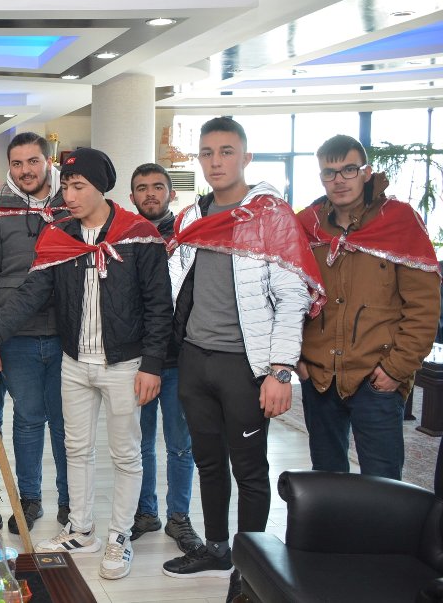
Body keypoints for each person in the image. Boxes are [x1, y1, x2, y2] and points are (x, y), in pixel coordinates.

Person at [0, 148, 172, 580]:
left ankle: (119, 535)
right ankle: (81, 530)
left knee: (126, 453)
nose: (69, 195)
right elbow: (30, 294)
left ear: (101, 188)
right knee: (76, 449)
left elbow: (160, 307)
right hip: (75, 361)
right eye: (66, 186)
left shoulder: (138, 236)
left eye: (79, 187)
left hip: (125, 364)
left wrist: (153, 364)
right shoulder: (61, 235)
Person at [160, 118, 322, 603]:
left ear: (246, 158)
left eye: (226, 152)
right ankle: (216, 549)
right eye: (207, 153)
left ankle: (250, 569)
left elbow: (292, 297)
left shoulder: (270, 216)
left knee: (249, 470)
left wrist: (280, 371)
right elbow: (176, 283)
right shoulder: (192, 216)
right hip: (195, 359)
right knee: (208, 462)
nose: (216, 162)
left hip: (245, 366)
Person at [298, 134, 441, 480]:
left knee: (382, 483)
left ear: (366, 172)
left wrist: (396, 368)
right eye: (329, 172)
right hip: (319, 376)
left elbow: (423, 307)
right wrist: (297, 359)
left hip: (376, 377)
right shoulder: (308, 225)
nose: (339, 180)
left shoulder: (399, 221)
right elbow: (290, 297)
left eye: (349, 169)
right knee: (327, 480)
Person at [0, 131, 69, 533]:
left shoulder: (71, 205)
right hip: (15, 338)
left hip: (67, 335)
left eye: (33, 161)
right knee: (28, 420)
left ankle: (71, 501)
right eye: (17, 163)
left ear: (48, 161)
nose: (25, 170)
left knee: (66, 424)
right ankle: (30, 499)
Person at [127, 163, 202, 553]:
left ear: (171, 194)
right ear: (132, 197)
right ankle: (145, 512)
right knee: (139, 443)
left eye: (158, 187)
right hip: (137, 360)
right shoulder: (125, 237)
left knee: (180, 444)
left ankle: (179, 517)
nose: (150, 194)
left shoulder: (189, 238)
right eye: (142, 188)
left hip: (180, 357)